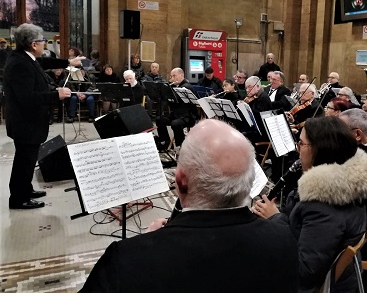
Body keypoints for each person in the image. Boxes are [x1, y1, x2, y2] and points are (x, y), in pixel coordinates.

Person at [81, 119, 299, 292]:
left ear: (180, 180)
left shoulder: (127, 259)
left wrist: (150, 242)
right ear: (250, 181)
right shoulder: (284, 240)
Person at [253, 117, 367, 292]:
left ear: (321, 150)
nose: (297, 149)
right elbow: (303, 231)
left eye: (301, 144)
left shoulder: (324, 206)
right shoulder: (345, 185)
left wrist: (275, 218)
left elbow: (305, 271)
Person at [4, 23, 81, 210]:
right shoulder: (19, 64)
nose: (44, 44)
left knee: (28, 159)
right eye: (42, 41)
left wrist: (68, 62)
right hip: (26, 123)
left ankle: (26, 189)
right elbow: (27, 98)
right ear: (33, 44)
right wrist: (56, 95)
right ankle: (19, 199)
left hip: (28, 122)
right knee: (24, 161)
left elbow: (44, 63)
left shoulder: (25, 58)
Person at [156, 68, 199, 148]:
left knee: (175, 124)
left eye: (174, 76)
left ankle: (181, 146)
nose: (172, 78)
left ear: (181, 75)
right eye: (171, 76)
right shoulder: (175, 86)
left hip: (188, 116)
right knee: (159, 119)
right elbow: (171, 102)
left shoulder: (186, 87)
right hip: (176, 114)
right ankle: (166, 142)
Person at [238, 76, 272, 144]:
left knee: (239, 135)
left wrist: (246, 107)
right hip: (251, 128)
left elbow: (258, 116)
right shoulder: (250, 96)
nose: (247, 90)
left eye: (250, 87)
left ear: (258, 86)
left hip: (261, 131)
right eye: (246, 87)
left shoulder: (264, 98)